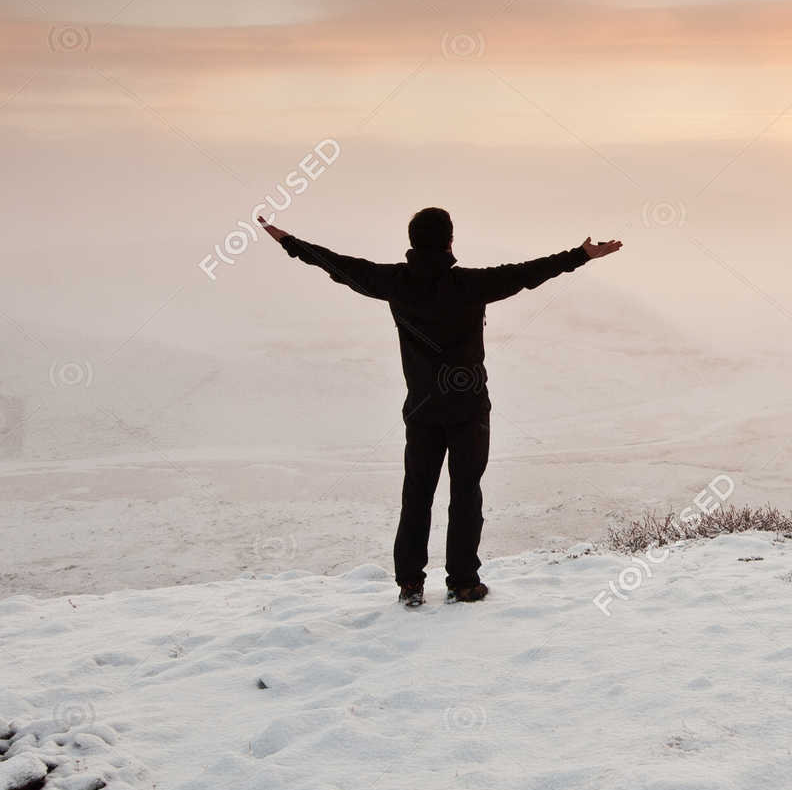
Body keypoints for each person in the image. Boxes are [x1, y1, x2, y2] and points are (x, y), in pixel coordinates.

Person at [259, 208, 622, 607]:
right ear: (450, 241)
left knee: (417, 495)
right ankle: (463, 582)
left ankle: (411, 584)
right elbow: (526, 273)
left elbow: (337, 265)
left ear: (413, 242)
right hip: (469, 410)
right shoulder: (469, 284)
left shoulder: (394, 282)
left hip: (422, 412)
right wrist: (581, 255)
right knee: (465, 494)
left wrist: (289, 242)